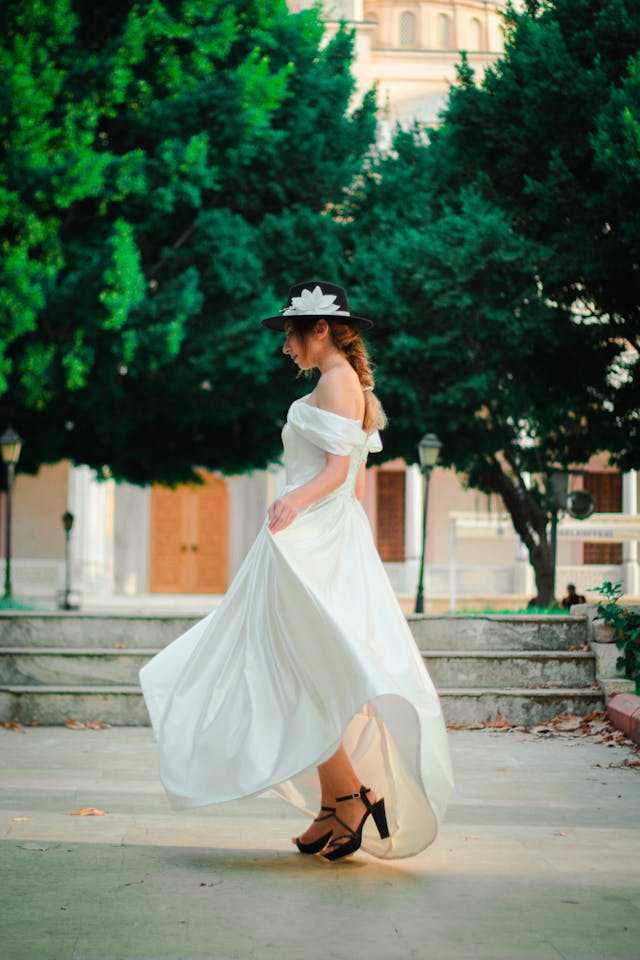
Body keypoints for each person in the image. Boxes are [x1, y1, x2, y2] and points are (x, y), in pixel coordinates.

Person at [139, 281, 453, 862]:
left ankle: (348, 798)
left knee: (294, 669)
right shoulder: (343, 384)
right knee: (290, 667)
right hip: (315, 537)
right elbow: (353, 482)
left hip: (311, 536)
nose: (285, 343)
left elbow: (338, 472)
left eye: (291, 331)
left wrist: (296, 504)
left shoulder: (337, 382)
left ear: (321, 330)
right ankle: (340, 800)